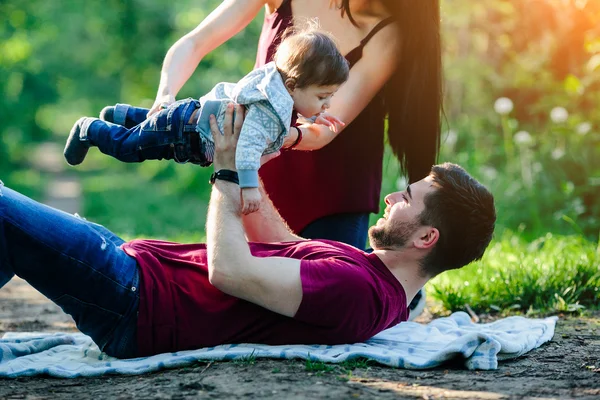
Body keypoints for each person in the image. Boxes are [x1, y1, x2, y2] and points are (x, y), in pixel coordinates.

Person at [0, 106, 496, 359]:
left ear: (425, 239)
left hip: (135, 300)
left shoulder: (359, 292)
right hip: (134, 272)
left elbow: (230, 271)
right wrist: (247, 161)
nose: (390, 198)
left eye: (406, 199)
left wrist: (223, 174)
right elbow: (280, 240)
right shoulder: (371, 275)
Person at [147, 0, 442, 316]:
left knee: (323, 307)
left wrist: (272, 135)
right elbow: (194, 42)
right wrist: (165, 97)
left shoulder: (388, 32)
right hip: (263, 172)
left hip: (336, 193)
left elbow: (325, 129)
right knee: (237, 293)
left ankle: (399, 288)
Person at [63, 28, 349, 214]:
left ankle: (121, 115)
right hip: (184, 132)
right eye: (323, 96)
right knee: (129, 149)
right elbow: (248, 149)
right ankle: (90, 129)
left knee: (152, 134)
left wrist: (316, 111)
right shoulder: (268, 113)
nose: (327, 103)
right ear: (293, 86)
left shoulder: (274, 92)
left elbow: (281, 119)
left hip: (185, 126)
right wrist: (248, 186)